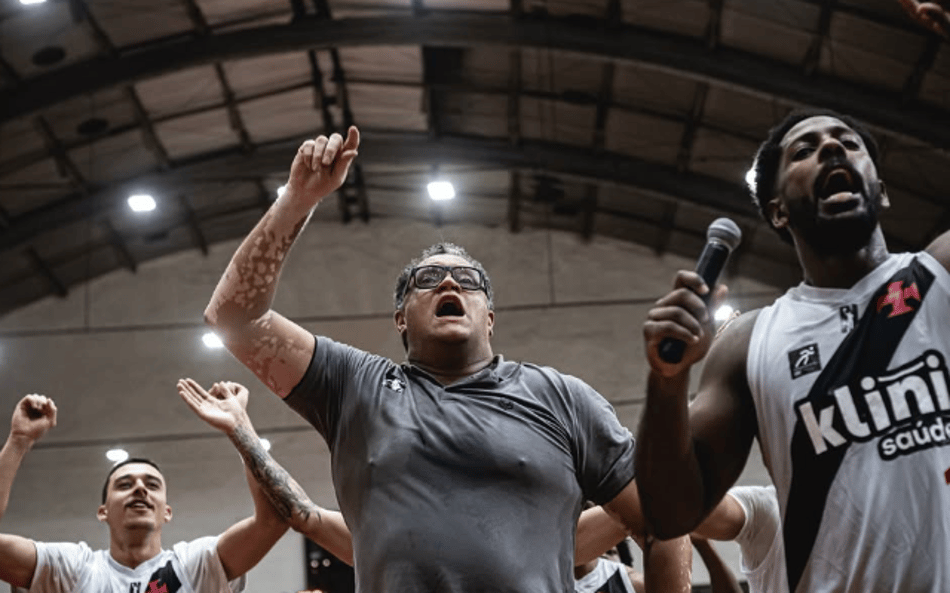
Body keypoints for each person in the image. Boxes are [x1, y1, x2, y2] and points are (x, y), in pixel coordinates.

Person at [203, 126, 691, 592]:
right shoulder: (354, 387)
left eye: (468, 280)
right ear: (400, 318)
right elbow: (234, 319)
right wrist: (298, 199)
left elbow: (663, 519)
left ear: (490, 316)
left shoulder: (562, 398)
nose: (450, 283)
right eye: (428, 278)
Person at [636, 108, 950, 592]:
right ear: (779, 210)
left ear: (881, 190)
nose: (831, 148)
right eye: (804, 150)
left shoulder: (941, 274)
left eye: (848, 143)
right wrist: (667, 379)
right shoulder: (747, 343)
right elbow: (671, 512)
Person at [0, 390, 288, 592]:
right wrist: (18, 440)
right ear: (103, 511)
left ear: (167, 511)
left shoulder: (198, 565)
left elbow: (273, 520)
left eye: (152, 485)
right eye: (125, 484)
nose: (139, 488)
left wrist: (239, 427)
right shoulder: (70, 569)